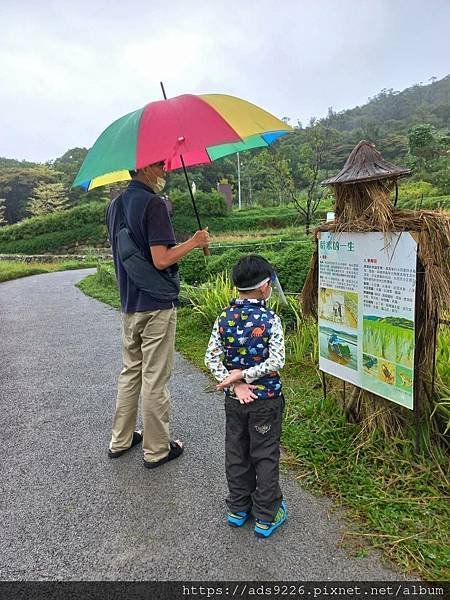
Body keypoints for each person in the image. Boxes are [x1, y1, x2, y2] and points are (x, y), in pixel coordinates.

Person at [106, 162, 210, 468]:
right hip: (156, 305)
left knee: (130, 373)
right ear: (145, 167)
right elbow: (161, 259)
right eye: (159, 164)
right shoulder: (153, 204)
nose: (165, 168)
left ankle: (121, 441)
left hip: (129, 303)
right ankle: (156, 450)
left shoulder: (115, 205)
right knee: (155, 377)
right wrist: (194, 242)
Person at [205, 255, 287, 538]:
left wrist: (234, 383)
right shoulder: (270, 319)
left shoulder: (223, 318)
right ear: (265, 288)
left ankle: (238, 509)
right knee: (265, 454)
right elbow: (277, 361)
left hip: (235, 401)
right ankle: (266, 515)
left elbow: (211, 359)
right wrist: (246, 376)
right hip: (266, 401)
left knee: (237, 452)